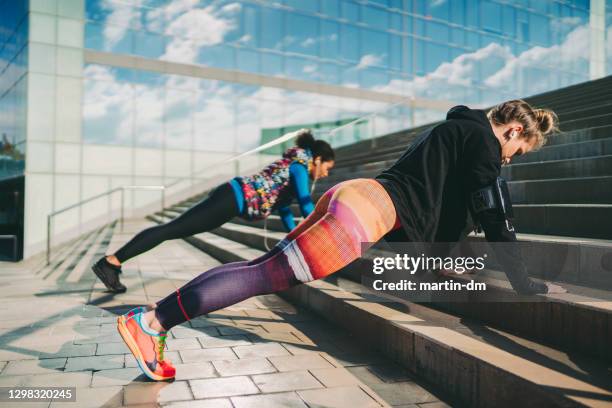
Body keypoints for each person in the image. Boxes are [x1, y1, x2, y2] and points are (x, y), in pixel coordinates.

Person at [116, 100, 567, 381]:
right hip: (364, 215)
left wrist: (437, 260)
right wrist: (523, 281)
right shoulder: (485, 146)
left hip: (355, 196)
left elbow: (432, 202)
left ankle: (154, 319)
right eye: (517, 151)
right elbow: (492, 213)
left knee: (260, 269)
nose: (510, 160)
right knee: (264, 277)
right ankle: (153, 322)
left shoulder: (455, 130)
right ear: (513, 132)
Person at [93, 129, 335, 293]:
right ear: (318, 159)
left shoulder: (293, 169)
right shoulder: (299, 166)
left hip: (230, 199)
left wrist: (297, 239)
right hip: (231, 199)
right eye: (327, 168)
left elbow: (285, 212)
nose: (326, 174)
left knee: (173, 229)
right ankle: (111, 262)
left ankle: (113, 262)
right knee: (172, 229)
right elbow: (305, 203)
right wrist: (325, 229)